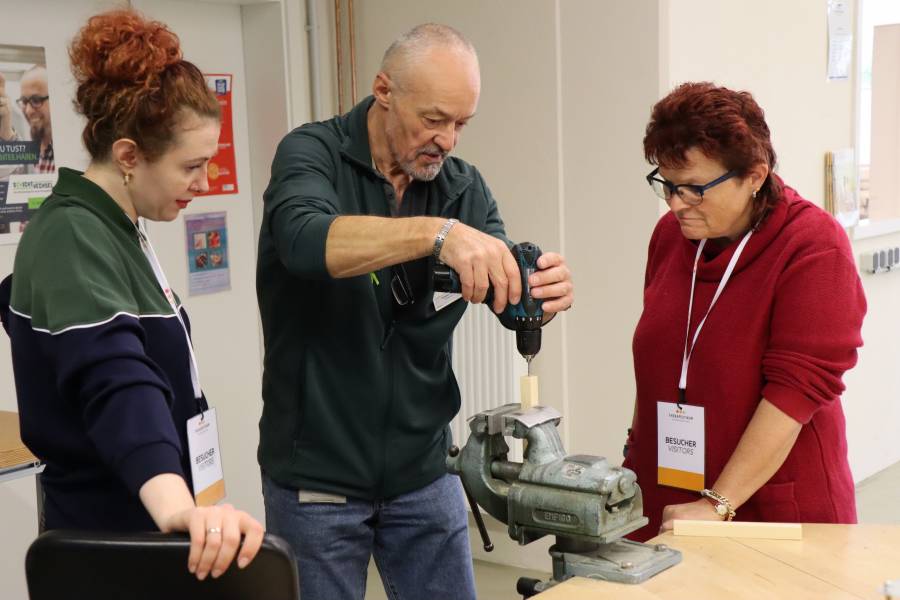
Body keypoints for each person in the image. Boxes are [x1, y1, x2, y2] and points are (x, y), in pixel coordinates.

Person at [257, 23, 574, 600]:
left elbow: (503, 292)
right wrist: (436, 235)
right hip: (317, 480)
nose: (448, 140)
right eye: (434, 119)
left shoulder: (460, 185)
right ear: (384, 90)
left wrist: (538, 293)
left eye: (461, 124)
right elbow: (305, 240)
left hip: (425, 472)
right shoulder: (310, 154)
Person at [0, 9, 263, 580]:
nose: (204, 182)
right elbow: (116, 380)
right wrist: (175, 509)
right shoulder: (72, 235)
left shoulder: (119, 228)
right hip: (116, 543)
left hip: (152, 522)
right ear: (127, 157)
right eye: (191, 166)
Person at [623, 82, 866, 541]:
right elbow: (657, 358)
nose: (676, 204)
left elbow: (794, 394)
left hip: (772, 511)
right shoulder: (670, 238)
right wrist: (634, 454)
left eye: (695, 189)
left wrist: (718, 504)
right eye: (667, 184)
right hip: (672, 498)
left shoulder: (813, 246)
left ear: (754, 175)